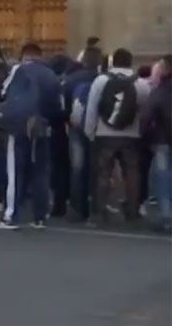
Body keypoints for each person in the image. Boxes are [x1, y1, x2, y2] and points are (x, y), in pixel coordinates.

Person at [0, 42, 62, 230]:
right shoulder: (50, 74)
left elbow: (4, 93)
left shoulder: (18, 70)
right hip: (42, 125)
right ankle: (40, 216)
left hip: (18, 125)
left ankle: (10, 215)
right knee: (40, 171)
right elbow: (57, 103)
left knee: (15, 171)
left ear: (24, 56)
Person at [83, 47, 152, 226]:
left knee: (103, 174)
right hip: (131, 135)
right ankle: (132, 213)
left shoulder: (101, 80)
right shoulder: (141, 84)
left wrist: (90, 131)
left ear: (114, 62)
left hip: (105, 134)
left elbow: (92, 107)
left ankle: (98, 213)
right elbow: (146, 110)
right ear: (131, 62)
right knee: (132, 174)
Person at [62, 46, 104, 222]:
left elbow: (63, 103)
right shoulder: (102, 79)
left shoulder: (71, 79)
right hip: (98, 128)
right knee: (97, 168)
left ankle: (77, 207)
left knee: (77, 167)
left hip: (76, 127)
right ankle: (95, 207)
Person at [140, 55, 171, 232]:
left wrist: (146, 135)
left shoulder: (161, 90)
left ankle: (167, 218)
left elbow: (146, 116)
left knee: (163, 180)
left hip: (162, 140)